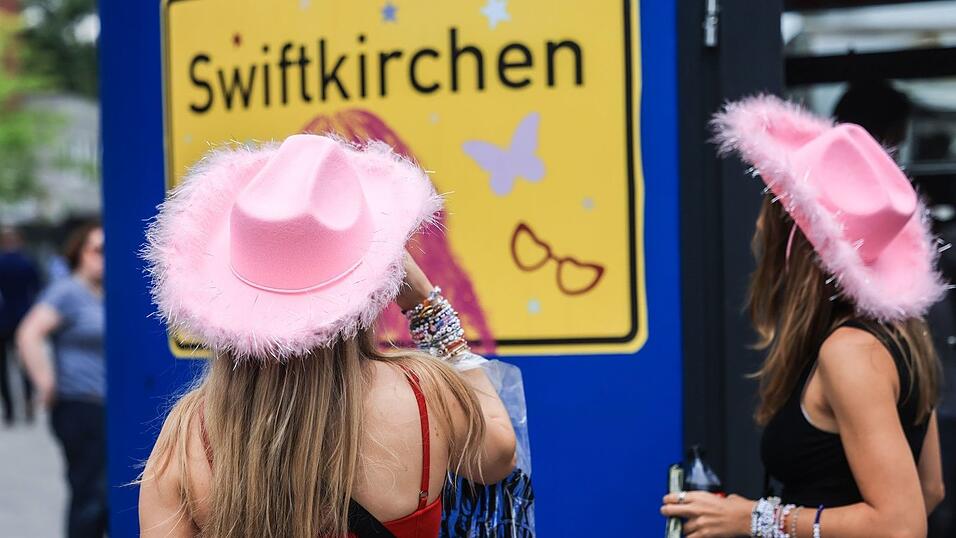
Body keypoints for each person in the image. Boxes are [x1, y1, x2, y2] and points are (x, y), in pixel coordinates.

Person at [137, 134, 518, 537]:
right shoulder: (424, 395)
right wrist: (427, 305)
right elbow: (499, 454)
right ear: (375, 277)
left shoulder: (188, 437)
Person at [661, 96, 946, 536]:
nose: (757, 226)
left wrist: (753, 518)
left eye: (770, 206)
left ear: (794, 239)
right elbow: (929, 490)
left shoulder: (850, 352)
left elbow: (901, 525)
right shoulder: (901, 335)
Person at [16, 220, 107, 538]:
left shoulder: (109, 295)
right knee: (90, 495)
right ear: (79, 252)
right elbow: (28, 333)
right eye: (98, 249)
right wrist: (46, 383)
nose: (105, 257)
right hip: (80, 405)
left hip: (106, 407)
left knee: (104, 495)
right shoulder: (68, 291)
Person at [0, 226, 40, 424]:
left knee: (4, 367)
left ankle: (9, 410)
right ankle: (28, 403)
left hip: (3, 319)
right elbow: (37, 287)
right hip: (25, 316)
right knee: (25, 365)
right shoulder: (27, 262)